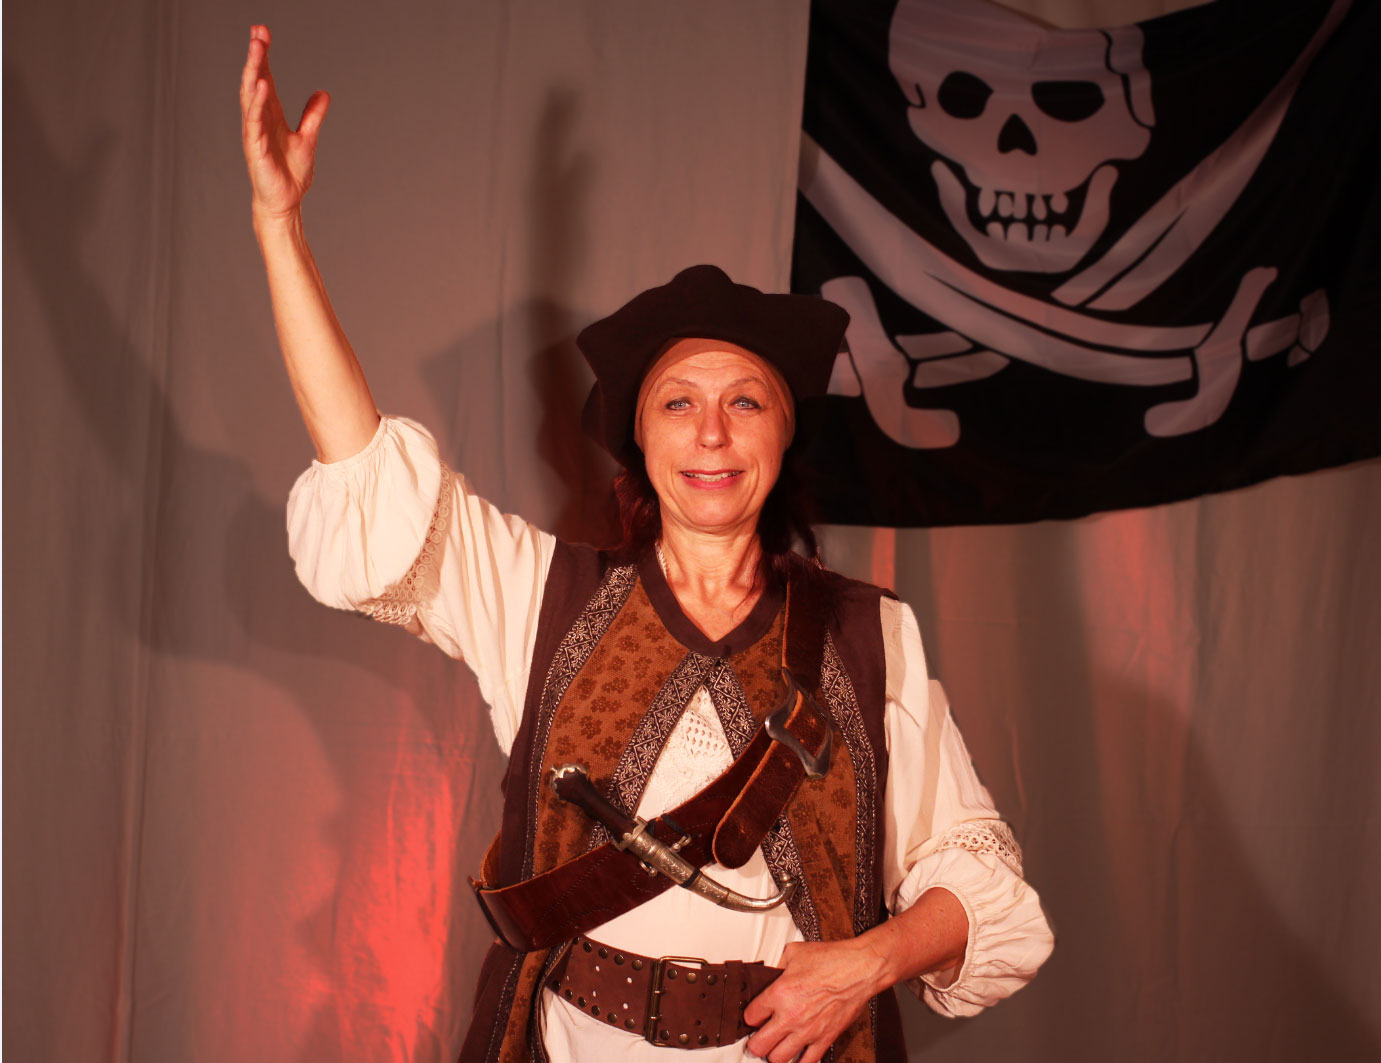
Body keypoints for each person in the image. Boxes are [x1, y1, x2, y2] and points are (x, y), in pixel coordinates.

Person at [241, 24, 1053, 1063]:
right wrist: (280, 227)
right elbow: (361, 465)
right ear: (642, 439)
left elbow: (978, 879)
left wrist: (869, 962)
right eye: (678, 403)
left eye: (744, 402)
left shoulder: (868, 633)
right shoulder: (537, 593)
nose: (711, 433)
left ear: (781, 437)